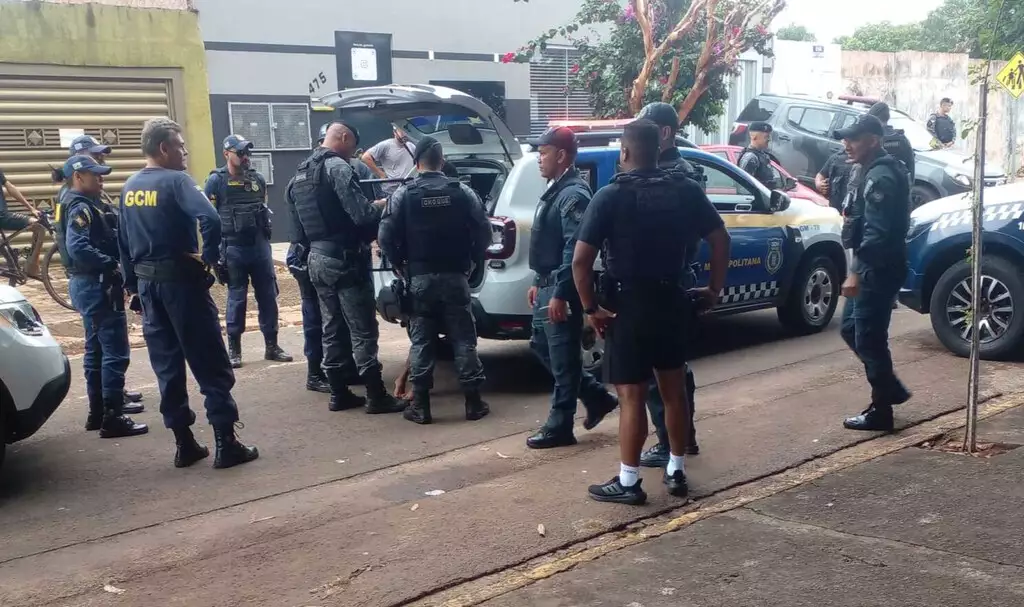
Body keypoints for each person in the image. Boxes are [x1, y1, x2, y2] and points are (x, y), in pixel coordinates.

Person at [572, 120, 730, 505]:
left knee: (631, 396)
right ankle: (676, 470)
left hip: (629, 306)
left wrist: (591, 308)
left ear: (624, 153)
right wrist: (713, 288)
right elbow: (720, 237)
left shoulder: (610, 196)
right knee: (673, 391)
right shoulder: (686, 190)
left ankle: (629, 482)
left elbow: (580, 261)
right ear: (658, 151)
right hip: (672, 300)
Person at [119, 117, 259, 470]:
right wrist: (209, 259)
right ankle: (226, 443)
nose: (185, 152)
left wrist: (133, 287)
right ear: (163, 148)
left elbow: (122, 242)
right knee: (209, 361)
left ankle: (184, 444)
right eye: (180, 146)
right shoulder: (177, 181)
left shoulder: (130, 186)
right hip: (181, 284)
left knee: (167, 367)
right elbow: (210, 219)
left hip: (149, 287)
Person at [289, 121, 403, 414]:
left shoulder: (300, 174)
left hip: (316, 260)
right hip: (345, 260)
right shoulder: (338, 168)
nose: (353, 153)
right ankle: (376, 396)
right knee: (363, 329)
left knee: (331, 327)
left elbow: (297, 231)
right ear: (343, 137)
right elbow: (362, 215)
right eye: (353, 146)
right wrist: (383, 203)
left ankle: (339, 394)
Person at [378, 136, 492, 424]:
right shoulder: (463, 192)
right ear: (442, 162)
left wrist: (400, 266)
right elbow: (485, 233)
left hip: (419, 278)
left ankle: (422, 406)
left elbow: (385, 236)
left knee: (422, 341)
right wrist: (472, 261)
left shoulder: (404, 195)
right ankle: (473, 403)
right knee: (464, 339)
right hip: (455, 276)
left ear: (416, 163)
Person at [523, 127, 618, 449]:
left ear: (561, 155)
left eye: (544, 152)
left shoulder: (573, 194)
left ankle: (560, 425)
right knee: (541, 345)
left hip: (561, 288)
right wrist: (539, 281)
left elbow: (573, 249)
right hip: (548, 284)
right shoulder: (557, 189)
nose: (539, 158)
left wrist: (562, 292)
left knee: (563, 360)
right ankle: (595, 396)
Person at [633, 102, 702, 467]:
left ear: (664, 133)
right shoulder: (679, 171)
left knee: (660, 369)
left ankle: (669, 439)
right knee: (673, 366)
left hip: (666, 278)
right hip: (673, 275)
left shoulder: (675, 173)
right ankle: (682, 436)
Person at [55, 135, 146, 410]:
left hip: (86, 283)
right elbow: (78, 246)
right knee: (114, 351)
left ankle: (99, 410)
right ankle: (113, 413)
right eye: (95, 173)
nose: (102, 177)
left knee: (95, 348)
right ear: (79, 176)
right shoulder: (80, 204)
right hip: (97, 285)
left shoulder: (75, 199)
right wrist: (112, 264)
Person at [835, 115, 912, 432]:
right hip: (872, 267)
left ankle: (882, 409)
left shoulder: (881, 175)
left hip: (877, 269)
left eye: (854, 138)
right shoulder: (864, 169)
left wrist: (855, 271)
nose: (846, 144)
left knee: (868, 338)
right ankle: (890, 389)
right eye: (845, 138)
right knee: (852, 329)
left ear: (874, 140)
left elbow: (877, 234)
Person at [204, 135, 291, 368]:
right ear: (226, 154)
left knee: (268, 296)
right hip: (233, 248)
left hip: (259, 246)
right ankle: (234, 350)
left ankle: (272, 346)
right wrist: (213, 256)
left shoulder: (257, 179)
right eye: (240, 153)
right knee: (236, 299)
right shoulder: (215, 181)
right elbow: (208, 220)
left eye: (247, 153)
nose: (245, 157)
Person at [0, 166, 47, 280]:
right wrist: (31, 209)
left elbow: (10, 188)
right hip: (2, 216)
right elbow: (10, 188)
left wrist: (31, 208)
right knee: (39, 227)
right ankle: (32, 267)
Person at [360, 125, 417, 195]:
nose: (404, 134)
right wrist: (380, 173)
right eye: (401, 131)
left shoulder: (411, 146)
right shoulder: (386, 145)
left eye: (405, 132)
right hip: (391, 191)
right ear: (394, 132)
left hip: (408, 188)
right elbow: (365, 157)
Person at [867, 102, 915, 182]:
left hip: (873, 186)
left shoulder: (870, 139)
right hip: (897, 188)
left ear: (872, 118)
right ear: (888, 117)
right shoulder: (902, 139)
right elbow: (911, 170)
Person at [737, 121, 780, 190]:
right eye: (766, 136)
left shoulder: (763, 156)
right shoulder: (750, 158)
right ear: (754, 137)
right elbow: (744, 188)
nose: (769, 139)